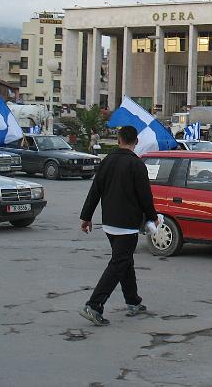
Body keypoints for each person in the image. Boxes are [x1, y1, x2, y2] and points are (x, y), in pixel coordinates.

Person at [78, 125, 158, 327]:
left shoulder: (107, 161)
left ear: (118, 140)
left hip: (109, 223)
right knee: (118, 264)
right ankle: (94, 305)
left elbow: (95, 190)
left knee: (124, 262)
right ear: (136, 142)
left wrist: (86, 217)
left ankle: (133, 301)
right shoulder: (137, 165)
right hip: (127, 224)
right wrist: (153, 217)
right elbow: (145, 196)